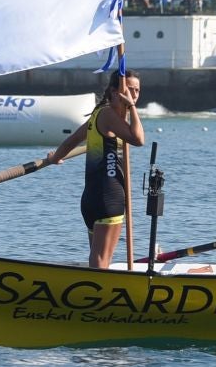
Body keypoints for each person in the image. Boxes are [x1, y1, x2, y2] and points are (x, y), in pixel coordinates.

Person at [44, 70, 147, 269]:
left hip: (91, 199)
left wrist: (55, 158)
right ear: (115, 92)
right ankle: (98, 296)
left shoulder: (98, 115)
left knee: (96, 260)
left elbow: (71, 142)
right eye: (129, 90)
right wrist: (132, 107)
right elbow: (139, 139)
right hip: (109, 197)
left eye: (137, 91)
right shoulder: (108, 114)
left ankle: (92, 291)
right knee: (101, 262)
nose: (133, 95)